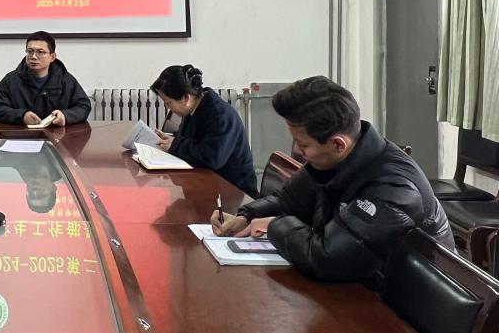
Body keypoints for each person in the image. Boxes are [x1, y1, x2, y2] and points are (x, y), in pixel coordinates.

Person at [211, 75, 454, 283]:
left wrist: (273, 225)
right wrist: (247, 216)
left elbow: (326, 258)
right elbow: (288, 200)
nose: (296, 151)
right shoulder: (334, 159)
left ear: (338, 144)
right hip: (361, 287)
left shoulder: (393, 188)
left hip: (403, 305)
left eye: (303, 144)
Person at [151, 65, 258, 197]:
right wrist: (169, 139)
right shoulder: (195, 107)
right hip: (209, 184)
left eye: (168, 103)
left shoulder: (220, 115)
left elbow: (211, 158)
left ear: (186, 98)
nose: (168, 108)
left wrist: (175, 144)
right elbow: (192, 139)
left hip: (234, 193)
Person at [0, 31, 91, 126]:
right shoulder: (11, 80)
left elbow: (83, 106)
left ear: (52, 57)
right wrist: (22, 116)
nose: (33, 56)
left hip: (57, 135)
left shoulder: (66, 80)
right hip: (22, 135)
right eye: (30, 51)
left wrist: (65, 116)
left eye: (40, 52)